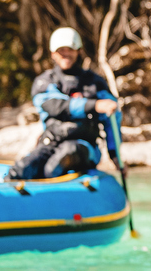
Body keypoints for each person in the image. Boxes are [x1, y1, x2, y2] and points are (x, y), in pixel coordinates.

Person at [6, 27, 119, 182]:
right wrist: (94, 105)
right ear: (53, 54)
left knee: (61, 159)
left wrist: (115, 155)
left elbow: (112, 117)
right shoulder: (44, 82)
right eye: (61, 50)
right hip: (51, 143)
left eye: (70, 49)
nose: (66, 54)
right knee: (22, 169)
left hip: (85, 146)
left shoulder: (95, 83)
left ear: (78, 51)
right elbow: (55, 106)